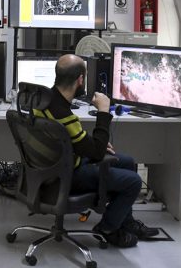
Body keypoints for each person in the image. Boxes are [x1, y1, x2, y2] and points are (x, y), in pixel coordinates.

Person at [40, 54, 158, 247]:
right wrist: (103, 111)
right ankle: (107, 229)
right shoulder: (63, 114)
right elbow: (95, 153)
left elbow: (70, 137)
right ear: (80, 79)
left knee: (127, 162)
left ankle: (125, 221)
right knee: (133, 182)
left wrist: (93, 142)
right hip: (68, 174)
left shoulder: (45, 101)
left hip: (56, 164)